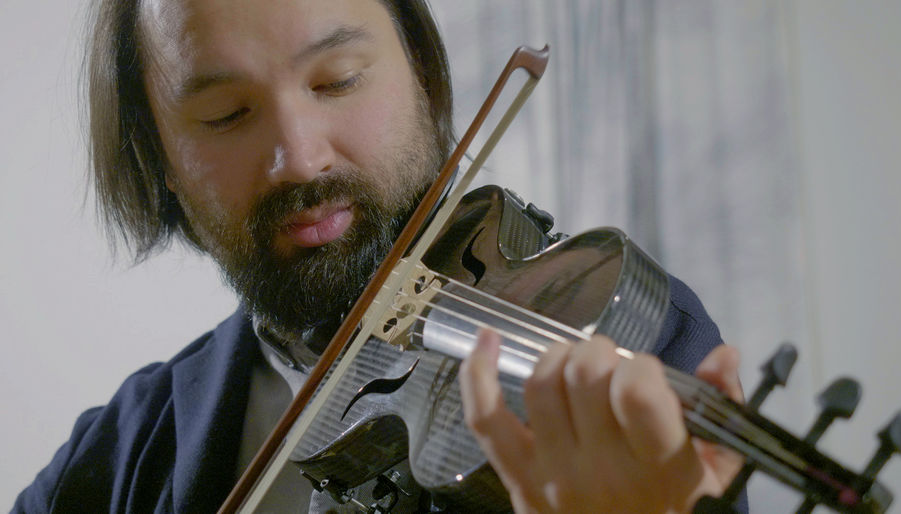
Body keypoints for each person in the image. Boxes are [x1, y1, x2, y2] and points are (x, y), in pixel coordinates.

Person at [14, 0, 743, 512]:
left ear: (423, 77)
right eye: (225, 115)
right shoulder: (119, 455)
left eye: (338, 80)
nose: (299, 159)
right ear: (166, 166)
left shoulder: (618, 342)